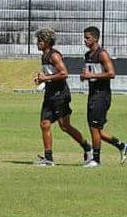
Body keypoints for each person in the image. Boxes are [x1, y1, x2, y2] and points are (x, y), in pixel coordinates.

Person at [34, 28, 92, 167]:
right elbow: (49, 75)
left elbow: (64, 73)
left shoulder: (54, 56)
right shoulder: (44, 55)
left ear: (47, 42)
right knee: (44, 124)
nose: (37, 43)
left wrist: (46, 78)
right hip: (50, 94)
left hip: (60, 95)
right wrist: (43, 81)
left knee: (65, 126)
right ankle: (48, 159)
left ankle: (87, 148)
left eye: (40, 40)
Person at [81, 26, 127, 168]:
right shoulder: (87, 55)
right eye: (84, 37)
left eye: (87, 38)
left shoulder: (102, 54)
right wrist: (85, 76)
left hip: (101, 95)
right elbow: (90, 73)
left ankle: (96, 160)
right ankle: (122, 145)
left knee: (94, 128)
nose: (85, 40)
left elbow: (111, 73)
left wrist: (92, 76)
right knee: (96, 129)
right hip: (92, 94)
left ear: (95, 38)